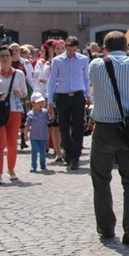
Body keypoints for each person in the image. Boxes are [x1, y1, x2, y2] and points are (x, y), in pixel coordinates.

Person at [87, 31, 129, 244]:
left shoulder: (95, 65)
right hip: (128, 128)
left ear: (105, 48)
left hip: (103, 128)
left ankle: (106, 227)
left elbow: (93, 89)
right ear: (127, 47)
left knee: (101, 180)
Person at [46, 36, 90, 170]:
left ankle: (75, 157)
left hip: (77, 95)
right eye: (69, 50)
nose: (71, 53)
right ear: (65, 48)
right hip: (62, 95)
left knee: (78, 126)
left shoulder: (83, 59)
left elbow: (86, 78)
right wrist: (50, 100)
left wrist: (88, 95)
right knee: (63, 127)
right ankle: (68, 152)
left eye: (73, 50)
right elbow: (52, 80)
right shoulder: (57, 61)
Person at [0, 45, 27, 184]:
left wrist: (19, 93)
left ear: (11, 57)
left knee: (12, 143)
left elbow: (25, 93)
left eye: (7, 55)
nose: (5, 58)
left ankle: (11, 169)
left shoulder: (19, 73)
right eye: (2, 56)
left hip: (14, 110)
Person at [26, 92, 51, 173]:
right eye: (38, 103)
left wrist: (52, 113)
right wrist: (25, 134)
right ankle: (33, 165)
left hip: (43, 136)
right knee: (34, 150)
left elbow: (50, 120)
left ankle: (43, 163)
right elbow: (27, 125)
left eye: (42, 102)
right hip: (34, 136)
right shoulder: (30, 114)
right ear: (33, 103)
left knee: (42, 151)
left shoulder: (45, 112)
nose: (41, 104)